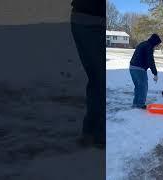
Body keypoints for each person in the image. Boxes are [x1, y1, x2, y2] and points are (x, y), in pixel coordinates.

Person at [70, 0, 105, 148]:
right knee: (99, 79)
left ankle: (91, 131)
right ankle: (97, 133)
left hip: (84, 19)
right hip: (89, 21)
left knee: (97, 80)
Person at [130, 34, 162, 109]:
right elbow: (150, 60)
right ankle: (140, 105)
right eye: (157, 45)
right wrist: (155, 73)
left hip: (132, 68)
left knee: (138, 87)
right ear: (154, 42)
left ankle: (136, 103)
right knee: (143, 87)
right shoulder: (149, 46)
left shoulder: (143, 44)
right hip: (139, 69)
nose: (156, 47)